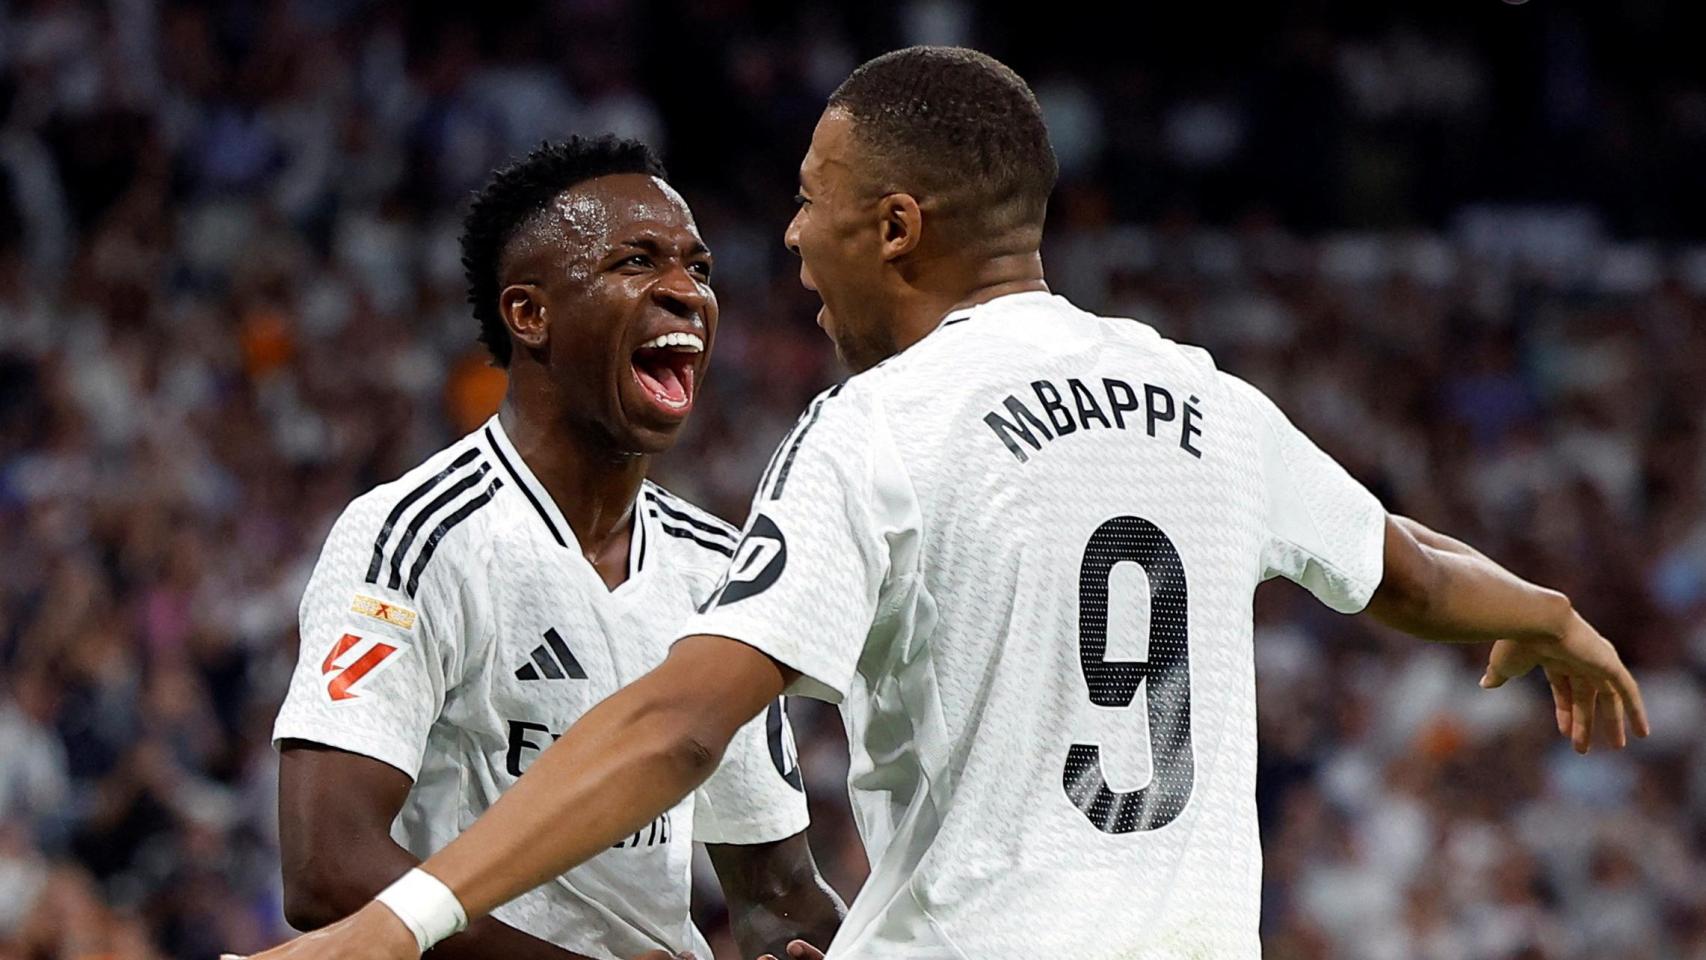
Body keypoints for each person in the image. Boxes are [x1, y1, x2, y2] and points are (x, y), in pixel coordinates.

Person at [235, 48, 1648, 960]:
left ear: (893, 227)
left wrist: (402, 925)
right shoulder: (1205, 397)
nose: (782, 239)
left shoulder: (875, 427)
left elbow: (676, 727)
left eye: (806, 202)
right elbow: (1402, 569)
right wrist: (1553, 613)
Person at [267, 137, 844, 960]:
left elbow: (777, 898)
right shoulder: (415, 535)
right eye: (637, 262)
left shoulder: (721, 570)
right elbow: (325, 866)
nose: (685, 291)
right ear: (529, 314)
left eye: (699, 268)